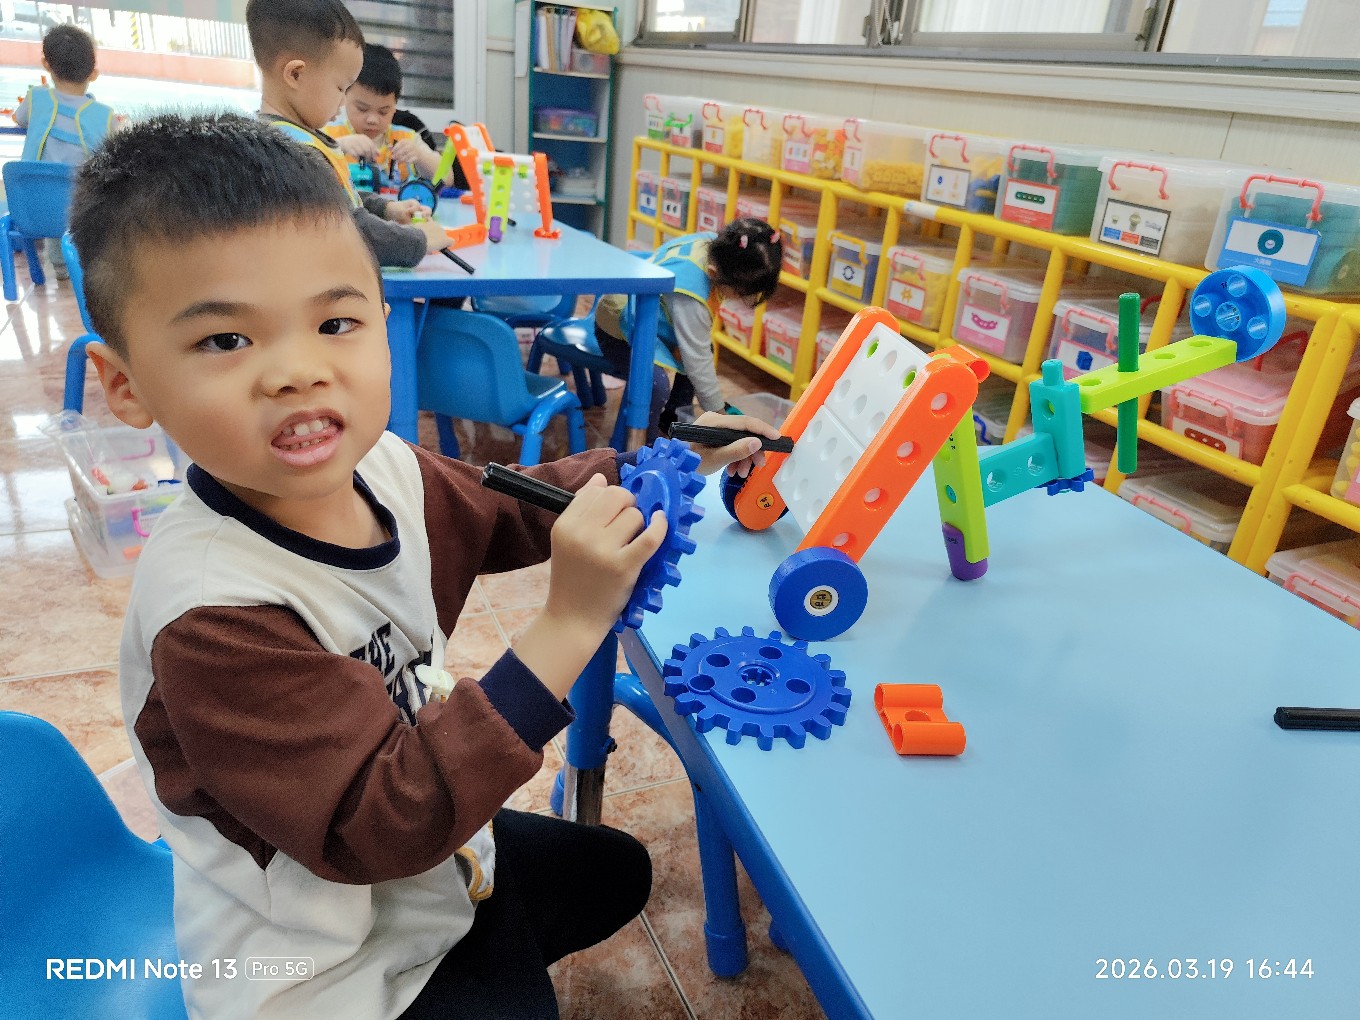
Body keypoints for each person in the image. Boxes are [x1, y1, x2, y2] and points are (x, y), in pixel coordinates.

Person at [71, 111, 779, 1020]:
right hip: (317, 964)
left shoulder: (381, 465)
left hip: (425, 864)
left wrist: (658, 465)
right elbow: (381, 825)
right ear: (127, 385)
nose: (297, 372)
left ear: (382, 315)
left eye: (335, 321)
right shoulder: (211, 617)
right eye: (225, 340)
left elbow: (508, 505)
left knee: (616, 872)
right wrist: (567, 623)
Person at [245, 0, 446, 268]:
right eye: (341, 88)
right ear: (295, 74)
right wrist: (418, 240)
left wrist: (387, 209)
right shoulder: (288, 155)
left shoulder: (291, 140)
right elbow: (347, 232)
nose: (342, 103)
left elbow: (340, 199)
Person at [595, 219, 784, 439]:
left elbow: (697, 355)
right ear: (713, 273)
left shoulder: (716, 245)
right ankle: (644, 443)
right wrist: (719, 414)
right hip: (619, 329)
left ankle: (672, 418)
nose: (746, 299)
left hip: (651, 318)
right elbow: (697, 361)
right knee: (656, 385)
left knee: (698, 353)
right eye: (741, 294)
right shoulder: (690, 295)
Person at [12, 23, 114, 281]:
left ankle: (59, 266)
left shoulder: (36, 99)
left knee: (53, 190)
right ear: (93, 73)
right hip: (85, 212)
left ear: (46, 64)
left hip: (33, 208)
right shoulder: (105, 116)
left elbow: (19, 119)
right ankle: (85, 266)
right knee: (78, 189)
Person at [323, 42, 467, 192]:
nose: (372, 119)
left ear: (395, 106)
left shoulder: (406, 138)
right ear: (344, 97)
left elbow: (447, 179)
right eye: (362, 109)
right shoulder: (330, 135)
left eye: (383, 112)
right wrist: (339, 147)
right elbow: (308, 168)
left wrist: (419, 156)